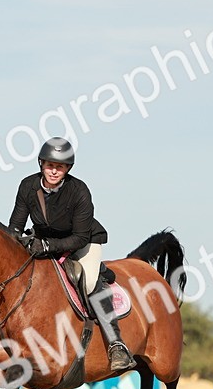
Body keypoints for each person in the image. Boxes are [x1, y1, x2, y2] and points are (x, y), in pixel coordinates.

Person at [8, 137, 134, 372]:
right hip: (45, 242)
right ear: (41, 164)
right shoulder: (27, 186)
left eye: (60, 167)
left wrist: (46, 247)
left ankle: (117, 345)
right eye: (50, 165)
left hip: (83, 243)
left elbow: (79, 237)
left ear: (67, 169)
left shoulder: (79, 191)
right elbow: (15, 225)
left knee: (88, 283)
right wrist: (18, 241)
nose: (54, 171)